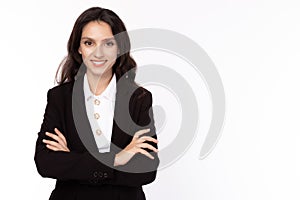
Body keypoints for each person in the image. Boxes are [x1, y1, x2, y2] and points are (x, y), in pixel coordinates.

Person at [34, 7, 159, 200]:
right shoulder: (60, 98)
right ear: (79, 47)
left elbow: (146, 169)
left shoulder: (139, 99)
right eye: (89, 42)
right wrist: (117, 158)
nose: (98, 53)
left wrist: (74, 162)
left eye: (108, 43)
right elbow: (46, 162)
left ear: (119, 48)